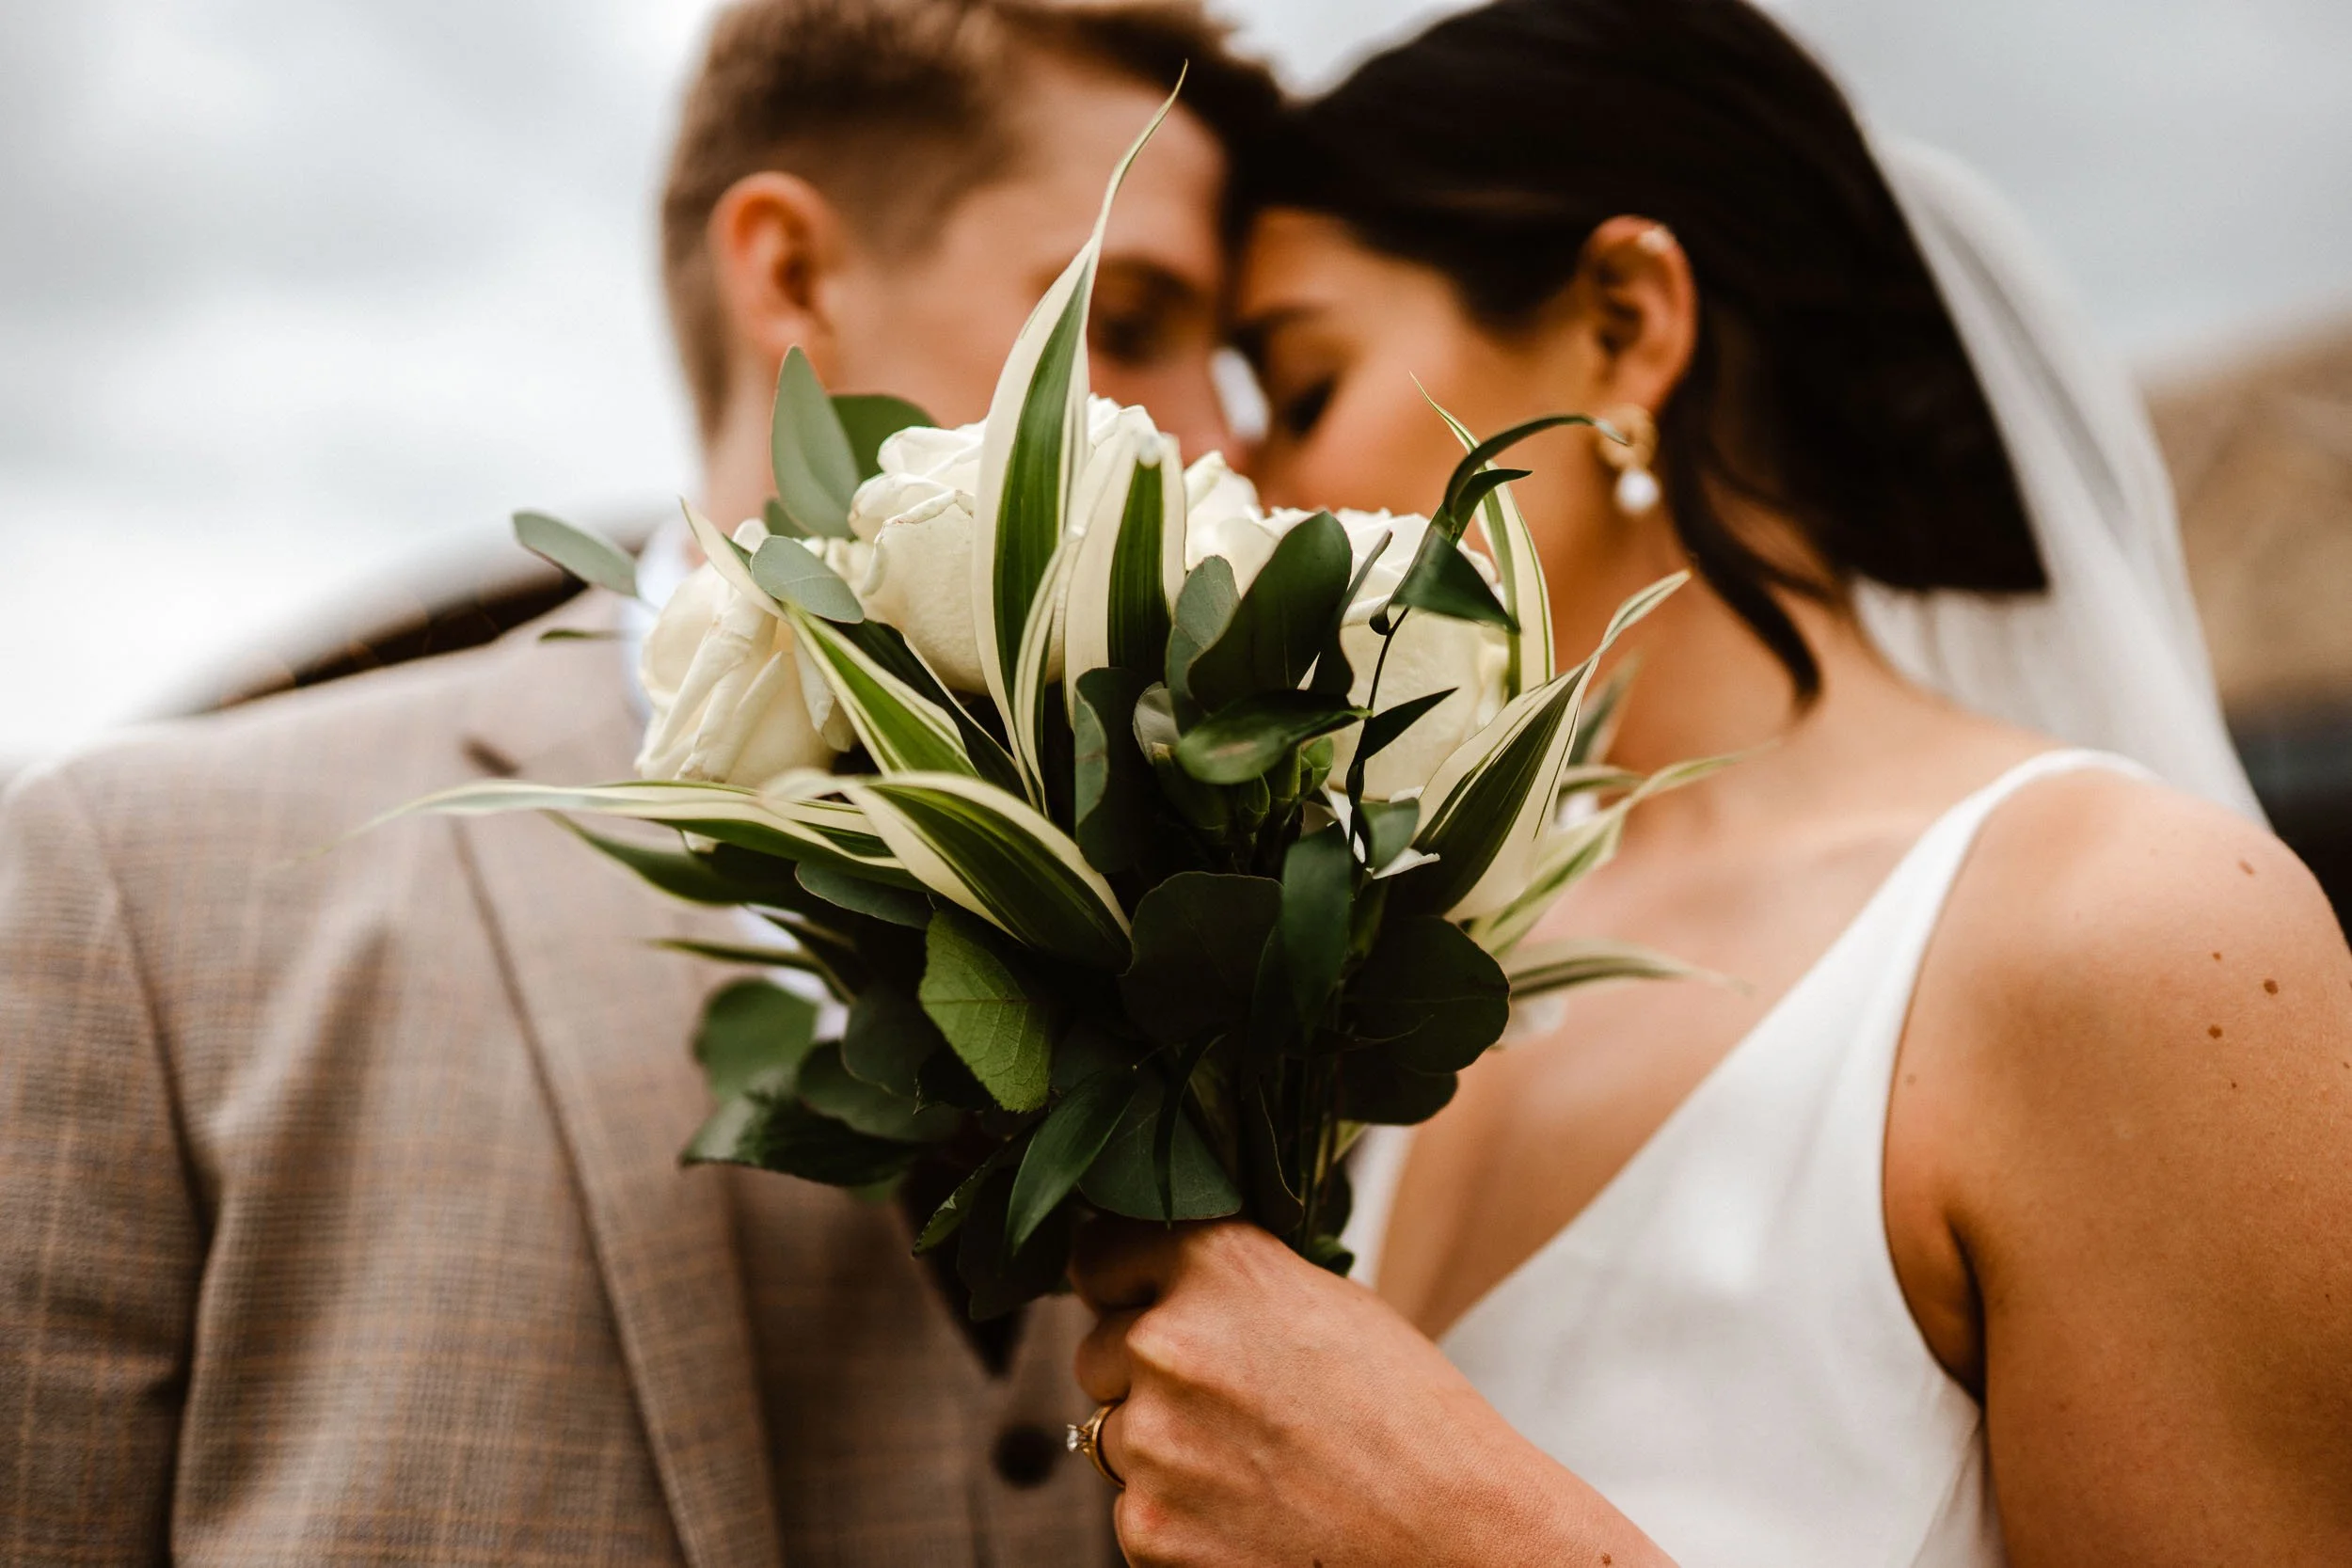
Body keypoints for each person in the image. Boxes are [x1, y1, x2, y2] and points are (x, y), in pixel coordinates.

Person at [1063, 2, 2352, 1564]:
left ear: (1622, 323)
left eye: (1306, 382)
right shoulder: (1398, 978)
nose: (1249, 482)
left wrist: (1450, 1528)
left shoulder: (2122, 935)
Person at [0, 3, 1275, 1562]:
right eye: (1129, 319)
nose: (1215, 438)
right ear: (793, 273)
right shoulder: (136, 882)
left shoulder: (1257, 939)